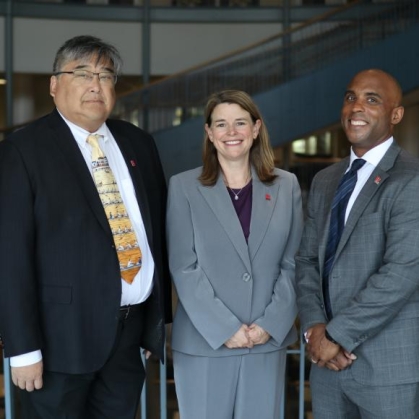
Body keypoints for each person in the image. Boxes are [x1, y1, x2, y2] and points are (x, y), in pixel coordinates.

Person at [0, 35, 171, 419]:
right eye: (82, 73)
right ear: (54, 85)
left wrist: (154, 327)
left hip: (129, 337)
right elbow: (10, 258)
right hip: (58, 344)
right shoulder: (22, 151)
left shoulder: (138, 143)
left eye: (106, 75)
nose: (96, 84)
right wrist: (22, 349)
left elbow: (156, 234)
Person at [166, 90, 303, 418]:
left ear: (256, 129)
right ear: (210, 134)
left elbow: (294, 262)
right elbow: (183, 266)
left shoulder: (287, 186)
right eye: (221, 124)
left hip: (265, 341)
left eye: (240, 123)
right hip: (205, 343)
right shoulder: (183, 187)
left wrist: (269, 324)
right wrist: (224, 328)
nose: (232, 132)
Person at [296, 69, 419, 419]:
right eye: (350, 97)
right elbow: (306, 261)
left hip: (387, 369)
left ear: (396, 115)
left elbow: (401, 273)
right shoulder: (325, 180)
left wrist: (336, 335)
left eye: (372, 99)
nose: (356, 107)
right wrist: (314, 330)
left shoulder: (412, 180)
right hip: (327, 369)